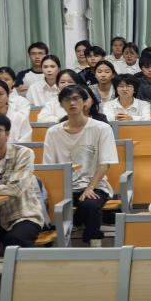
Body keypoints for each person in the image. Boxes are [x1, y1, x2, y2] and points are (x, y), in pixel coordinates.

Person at [43, 84, 119, 245]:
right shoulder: (53, 132)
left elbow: (105, 163)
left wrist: (90, 187)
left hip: (94, 184)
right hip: (64, 187)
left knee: (89, 205)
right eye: (67, 100)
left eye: (76, 98)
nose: (72, 103)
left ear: (85, 102)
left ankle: (94, 242)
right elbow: (49, 168)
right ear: (61, 104)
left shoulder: (101, 128)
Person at [0, 112, 46, 250]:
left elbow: (15, 189)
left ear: (7, 133)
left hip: (22, 215)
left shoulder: (23, 153)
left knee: (15, 239)